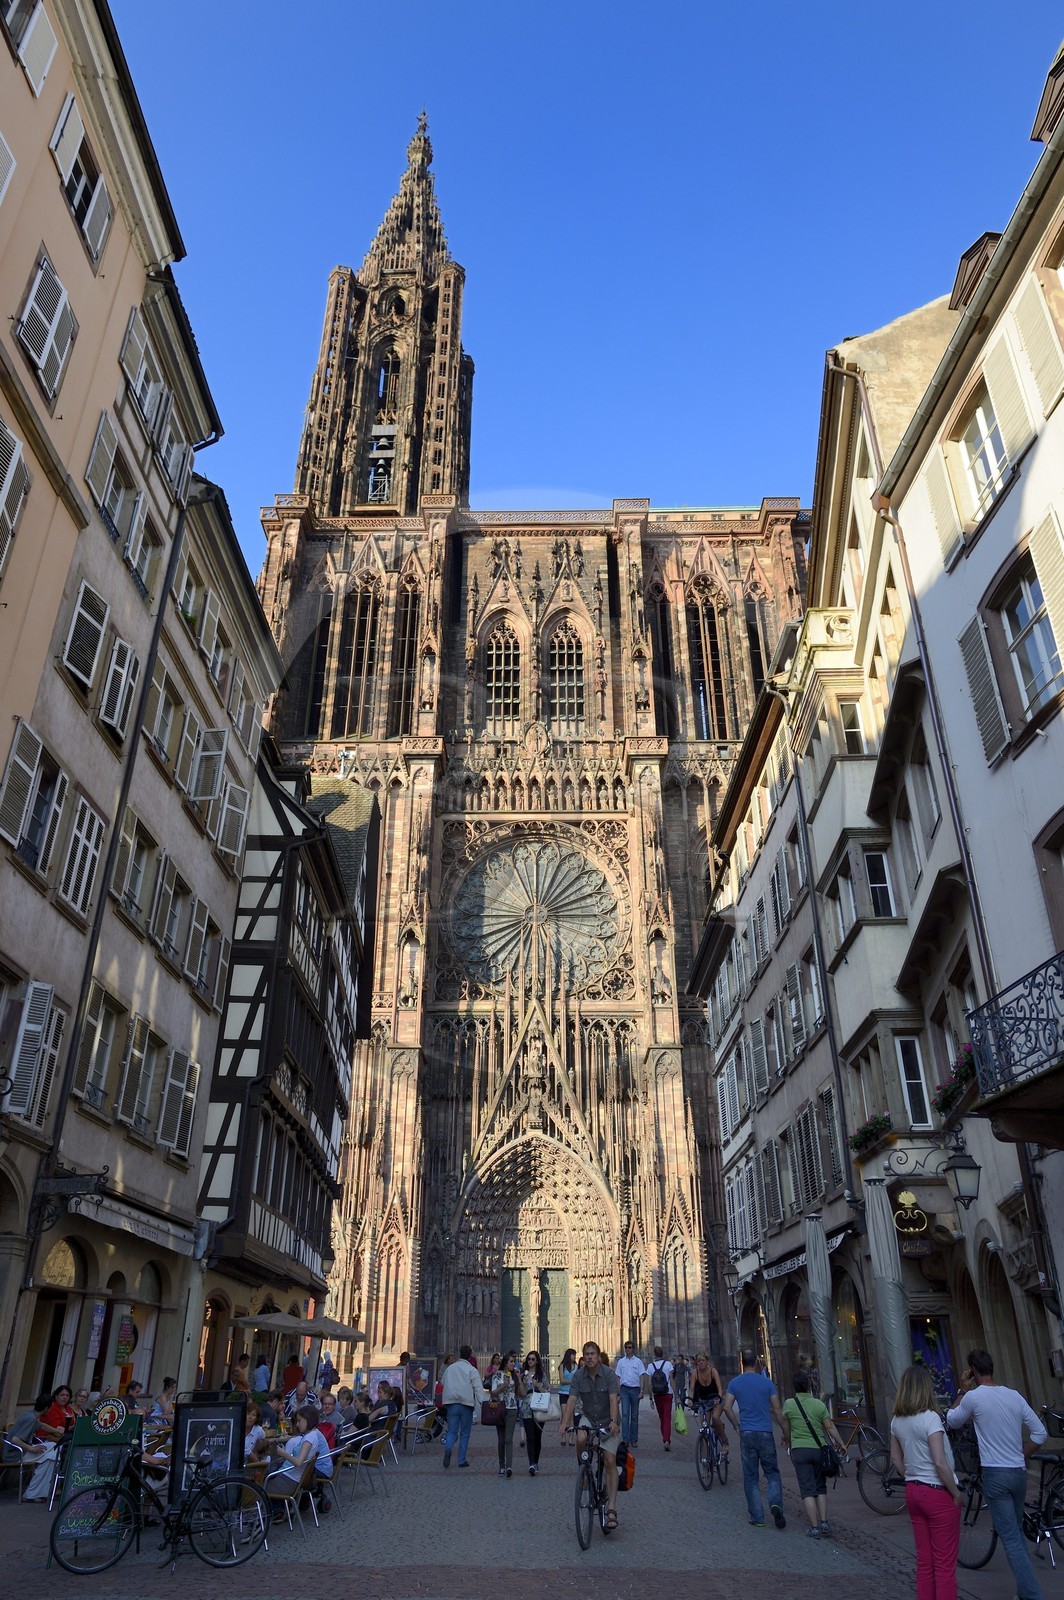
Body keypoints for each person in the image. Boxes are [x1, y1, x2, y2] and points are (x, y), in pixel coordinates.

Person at [946, 1348, 1047, 1600]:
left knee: (1010, 1538)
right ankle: (1025, 1592)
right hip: (1018, 1473)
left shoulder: (974, 1397)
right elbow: (1040, 1434)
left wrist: (962, 1390)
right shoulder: (1014, 1395)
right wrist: (1023, 1453)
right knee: (1016, 1534)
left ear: (973, 1370)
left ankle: (1033, 1596)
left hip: (995, 1473)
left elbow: (951, 1420)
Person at [888, 1364, 962, 1596]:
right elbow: (940, 1461)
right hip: (938, 1492)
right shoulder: (930, 1418)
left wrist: (910, 1474)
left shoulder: (896, 1421)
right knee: (944, 1565)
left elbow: (894, 1457)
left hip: (913, 1491)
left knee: (925, 1561)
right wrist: (956, 1492)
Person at [559, 1340, 621, 1531]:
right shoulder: (579, 1376)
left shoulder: (609, 1374)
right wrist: (564, 1424)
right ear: (583, 1357)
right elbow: (571, 1399)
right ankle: (584, 1468)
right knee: (580, 1437)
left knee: (610, 1460)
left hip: (608, 1420)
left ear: (599, 1355)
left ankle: (611, 1508)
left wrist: (612, 1421)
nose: (590, 1357)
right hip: (589, 1418)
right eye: (587, 1354)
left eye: (593, 1354)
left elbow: (612, 1399)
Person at [723, 1348, 786, 1529]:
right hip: (766, 1432)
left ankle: (758, 1517)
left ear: (742, 1362)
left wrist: (736, 1426)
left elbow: (727, 1407)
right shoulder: (767, 1383)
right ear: (756, 1362)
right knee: (772, 1472)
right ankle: (775, 1503)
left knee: (751, 1477)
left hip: (747, 1433)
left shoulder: (735, 1382)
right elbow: (778, 1409)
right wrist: (785, 1431)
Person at [781, 1369, 847, 1539]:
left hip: (799, 1450)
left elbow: (786, 1428)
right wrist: (841, 1443)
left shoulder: (789, 1404)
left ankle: (814, 1527)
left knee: (807, 1489)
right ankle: (824, 1522)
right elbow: (830, 1427)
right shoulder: (818, 1404)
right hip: (819, 1449)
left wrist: (788, 1440)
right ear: (809, 1386)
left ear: (794, 1387)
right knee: (820, 1487)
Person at [274, 1403, 333, 1511]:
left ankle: (278, 1509)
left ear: (308, 1420)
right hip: (306, 1470)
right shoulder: (312, 1434)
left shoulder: (309, 1438)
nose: (297, 1424)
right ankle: (280, 1508)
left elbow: (299, 1462)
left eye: (299, 1421)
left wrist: (283, 1453)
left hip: (320, 1469)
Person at [25, 1384, 75, 1501]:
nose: (65, 1397)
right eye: (62, 1395)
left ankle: (43, 1491)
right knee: (56, 1454)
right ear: (56, 1396)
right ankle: (38, 1491)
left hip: (59, 1439)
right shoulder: (51, 1409)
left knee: (55, 1456)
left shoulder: (68, 1409)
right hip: (44, 1440)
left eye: (67, 1395)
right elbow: (51, 1428)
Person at [440, 1344, 482, 1469]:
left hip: (452, 1403)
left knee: (452, 1431)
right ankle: (461, 1460)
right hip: (466, 1404)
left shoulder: (451, 1368)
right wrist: (483, 1403)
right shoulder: (471, 1370)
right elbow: (478, 1388)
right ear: (470, 1356)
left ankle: (448, 1448)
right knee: (465, 1432)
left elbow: (442, 1382)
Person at [491, 1352, 524, 1477]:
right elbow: (493, 1393)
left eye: (514, 1361)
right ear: (505, 1363)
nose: (513, 1363)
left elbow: (521, 1394)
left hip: (512, 1409)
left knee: (508, 1439)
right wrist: (503, 1385)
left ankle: (509, 1466)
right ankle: (501, 1466)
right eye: (511, 1361)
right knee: (501, 1440)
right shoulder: (497, 1375)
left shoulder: (515, 1376)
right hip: (499, 1409)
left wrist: (519, 1378)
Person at [690, 1350, 728, 1457]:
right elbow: (692, 1389)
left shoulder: (713, 1371)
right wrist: (690, 1400)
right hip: (704, 1402)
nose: (701, 1363)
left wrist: (719, 1398)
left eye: (703, 1360)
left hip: (716, 1400)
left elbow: (720, 1389)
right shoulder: (695, 1373)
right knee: (704, 1428)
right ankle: (706, 1461)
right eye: (698, 1361)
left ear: (707, 1361)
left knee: (715, 1418)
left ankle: (724, 1441)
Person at [520, 1350, 551, 1476]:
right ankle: (532, 1463)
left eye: (533, 1359)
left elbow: (547, 1390)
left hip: (539, 1407)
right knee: (530, 1437)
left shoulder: (542, 1375)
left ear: (537, 1361)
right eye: (529, 1359)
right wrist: (522, 1382)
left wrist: (537, 1385)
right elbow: (521, 1394)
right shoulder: (524, 1375)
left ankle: (536, 1462)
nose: (530, 1361)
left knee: (537, 1437)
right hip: (527, 1407)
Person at [615, 1339, 647, 1447]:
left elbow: (642, 1376)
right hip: (624, 1390)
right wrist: (618, 1393)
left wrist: (642, 1391)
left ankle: (634, 1439)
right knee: (625, 1415)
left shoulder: (638, 1362)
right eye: (626, 1347)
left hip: (635, 1390)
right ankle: (625, 1439)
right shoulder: (621, 1362)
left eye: (629, 1347)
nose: (627, 1349)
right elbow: (618, 1378)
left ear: (633, 1349)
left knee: (634, 1416)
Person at [647, 1345, 675, 1450]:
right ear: (662, 1354)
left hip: (657, 1395)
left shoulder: (650, 1366)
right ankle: (667, 1439)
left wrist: (650, 1398)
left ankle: (665, 1438)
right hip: (668, 1394)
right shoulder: (668, 1364)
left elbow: (649, 1385)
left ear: (654, 1354)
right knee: (667, 1417)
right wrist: (677, 1396)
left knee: (662, 1417)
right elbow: (672, 1380)